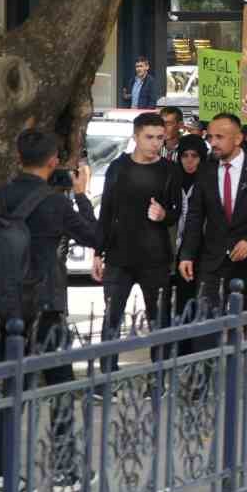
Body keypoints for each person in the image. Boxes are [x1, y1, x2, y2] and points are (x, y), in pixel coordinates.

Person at [0, 129, 101, 492]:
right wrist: (81, 197)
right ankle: (66, 472)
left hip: (6, 304)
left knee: (8, 388)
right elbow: (95, 237)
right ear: (53, 161)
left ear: (18, 157)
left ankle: (4, 475)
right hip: (47, 306)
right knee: (60, 387)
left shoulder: (0, 197)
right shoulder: (56, 204)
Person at [176, 112, 247, 312]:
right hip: (212, 264)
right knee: (206, 329)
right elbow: (195, 216)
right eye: (210, 137)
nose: (213, 142)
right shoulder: (205, 171)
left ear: (238, 138)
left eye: (219, 137)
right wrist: (187, 255)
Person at [95, 112, 178, 336]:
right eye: (149, 137)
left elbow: (176, 212)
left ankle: (161, 369)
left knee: (159, 319)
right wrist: (97, 252)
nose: (155, 143)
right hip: (118, 257)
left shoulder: (169, 170)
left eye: (160, 138)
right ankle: (107, 368)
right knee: (111, 318)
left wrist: (163, 215)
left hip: (155, 258)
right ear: (136, 137)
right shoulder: (118, 167)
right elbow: (106, 212)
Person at [168, 134, 207, 326]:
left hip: (200, 249)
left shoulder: (208, 181)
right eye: (185, 156)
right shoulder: (172, 179)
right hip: (173, 248)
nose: (190, 161)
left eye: (195, 156)